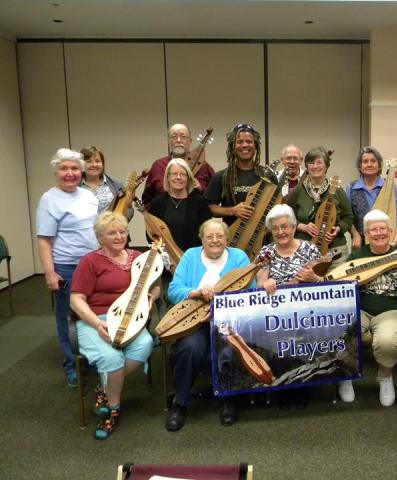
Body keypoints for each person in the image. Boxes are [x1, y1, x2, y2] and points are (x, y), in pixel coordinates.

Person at [70, 212, 160, 440]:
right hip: (96, 319)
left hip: (130, 319)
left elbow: (155, 284)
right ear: (100, 238)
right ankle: (113, 408)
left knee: (145, 344)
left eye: (122, 231)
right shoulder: (90, 261)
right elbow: (76, 299)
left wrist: (152, 296)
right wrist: (96, 324)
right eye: (112, 233)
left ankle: (104, 386)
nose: (119, 236)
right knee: (112, 358)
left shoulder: (138, 257)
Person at [165, 218, 252, 431]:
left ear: (227, 239)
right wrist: (194, 292)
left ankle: (228, 399)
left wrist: (222, 307)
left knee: (229, 349)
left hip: (229, 320)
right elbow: (173, 290)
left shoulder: (239, 257)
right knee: (189, 348)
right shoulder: (190, 256)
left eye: (220, 236)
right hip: (195, 322)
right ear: (201, 239)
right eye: (209, 236)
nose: (215, 240)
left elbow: (250, 292)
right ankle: (180, 403)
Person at [338, 210, 397, 406]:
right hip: (359, 310)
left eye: (383, 229)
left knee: (389, 341)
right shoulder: (356, 256)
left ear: (390, 231)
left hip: (391, 311)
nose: (379, 233)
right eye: (373, 230)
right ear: (366, 234)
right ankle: (347, 376)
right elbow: (343, 291)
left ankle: (385, 376)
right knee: (342, 332)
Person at [37, 148, 99, 387]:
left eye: (74, 168)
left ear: (81, 171)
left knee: (91, 313)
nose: (70, 173)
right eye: (64, 168)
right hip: (66, 267)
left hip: (92, 265)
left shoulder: (88, 196)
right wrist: (50, 272)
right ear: (56, 172)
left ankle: (91, 358)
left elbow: (97, 230)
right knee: (67, 317)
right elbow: (44, 240)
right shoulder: (49, 199)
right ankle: (72, 365)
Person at [287, 146, 354, 261]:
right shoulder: (298, 190)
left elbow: (348, 216)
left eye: (319, 162)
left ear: (326, 166)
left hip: (335, 250)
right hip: (304, 250)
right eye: (311, 163)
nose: (315, 166)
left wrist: (338, 229)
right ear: (306, 166)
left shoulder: (337, 189)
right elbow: (288, 217)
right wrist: (302, 226)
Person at [205, 123, 277, 226]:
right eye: (239, 142)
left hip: (263, 234)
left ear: (256, 146)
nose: (244, 145)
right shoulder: (221, 177)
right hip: (232, 234)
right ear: (232, 147)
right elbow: (209, 207)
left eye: (249, 141)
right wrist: (232, 211)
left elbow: (278, 206)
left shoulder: (268, 176)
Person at [141, 123, 215, 207]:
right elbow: (147, 200)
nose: (178, 140)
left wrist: (201, 188)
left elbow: (214, 198)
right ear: (169, 142)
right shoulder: (158, 166)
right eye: (174, 137)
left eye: (183, 137)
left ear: (190, 141)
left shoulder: (203, 167)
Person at [148, 158, 212, 252]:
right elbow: (151, 233)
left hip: (193, 256)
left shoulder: (200, 202)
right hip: (166, 256)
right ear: (168, 177)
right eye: (174, 174)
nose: (178, 177)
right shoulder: (157, 203)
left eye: (183, 174)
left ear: (188, 178)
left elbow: (207, 232)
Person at [346, 146, 397, 250]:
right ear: (360, 166)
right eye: (365, 161)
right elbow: (348, 217)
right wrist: (355, 234)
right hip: (362, 246)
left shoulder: (389, 186)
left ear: (379, 165)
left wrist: (395, 241)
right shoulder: (351, 188)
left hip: (389, 244)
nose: (369, 164)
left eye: (373, 161)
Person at [256, 204, 322, 294]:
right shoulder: (266, 252)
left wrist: (315, 279)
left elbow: (325, 280)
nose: (280, 232)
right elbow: (260, 284)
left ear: (294, 228)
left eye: (284, 227)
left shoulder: (310, 249)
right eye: (275, 228)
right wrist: (265, 284)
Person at [80, 146, 129, 216]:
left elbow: (129, 208)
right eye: (89, 161)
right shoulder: (75, 186)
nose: (94, 165)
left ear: (102, 164)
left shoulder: (117, 185)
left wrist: (119, 219)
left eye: (97, 161)